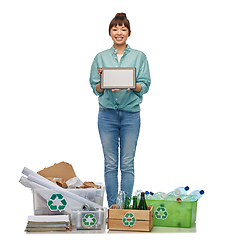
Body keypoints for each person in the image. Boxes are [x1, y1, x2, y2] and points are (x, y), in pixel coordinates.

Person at [89, 13, 151, 207]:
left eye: (123, 29)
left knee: (127, 163)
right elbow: (96, 89)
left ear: (129, 33)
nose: (119, 32)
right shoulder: (100, 58)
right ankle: (113, 208)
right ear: (109, 32)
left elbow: (145, 85)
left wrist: (129, 83)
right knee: (110, 164)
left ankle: (125, 208)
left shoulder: (139, 57)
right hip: (106, 114)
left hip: (131, 115)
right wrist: (104, 81)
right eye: (115, 29)